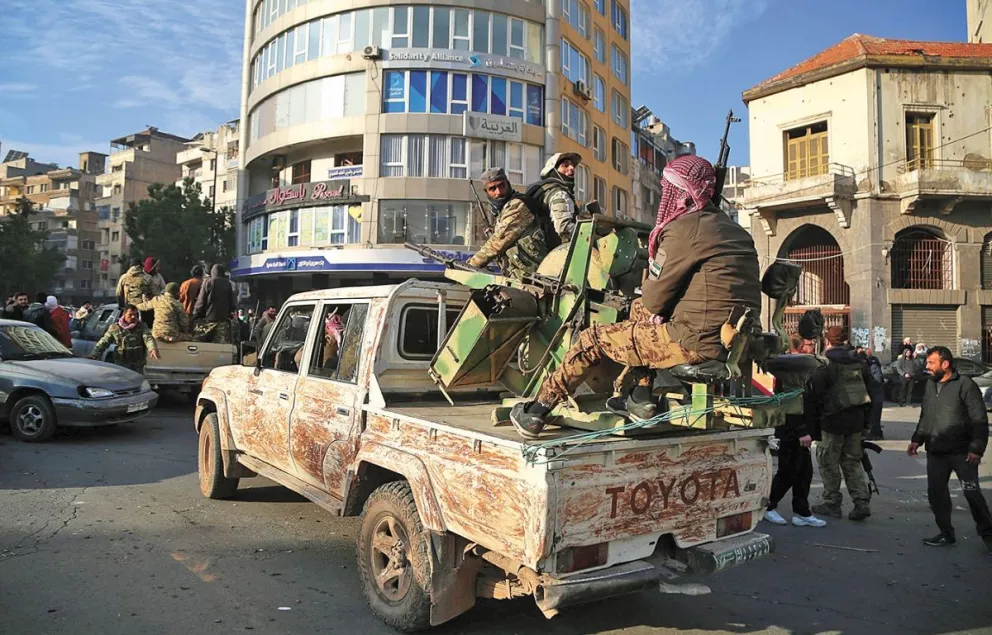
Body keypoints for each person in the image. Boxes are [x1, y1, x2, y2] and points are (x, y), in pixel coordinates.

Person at [509, 155, 761, 438]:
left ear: (678, 191)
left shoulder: (684, 229)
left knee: (593, 339)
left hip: (695, 342)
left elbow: (655, 300)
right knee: (639, 312)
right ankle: (641, 398)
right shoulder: (737, 232)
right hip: (737, 339)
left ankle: (537, 411)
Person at [908, 346, 992, 552]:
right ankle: (946, 533)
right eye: (927, 363)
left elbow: (979, 420)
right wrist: (917, 439)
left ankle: (988, 534)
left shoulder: (965, 385)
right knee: (936, 495)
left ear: (945, 364)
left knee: (972, 494)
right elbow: (926, 415)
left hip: (963, 453)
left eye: (931, 363)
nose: (927, 367)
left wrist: (977, 448)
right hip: (936, 452)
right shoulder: (930, 385)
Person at [808, 326, 873, 521]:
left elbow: (815, 396)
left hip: (832, 421)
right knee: (852, 461)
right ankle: (861, 502)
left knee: (828, 462)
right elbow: (872, 391)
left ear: (827, 341)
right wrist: (867, 423)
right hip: (856, 421)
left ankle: (832, 503)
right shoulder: (860, 362)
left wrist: (813, 424)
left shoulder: (826, 364)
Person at [764, 334, 827, 528]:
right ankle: (768, 506)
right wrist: (801, 431)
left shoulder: (801, 367)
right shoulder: (792, 369)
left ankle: (801, 512)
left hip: (799, 429)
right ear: (799, 347)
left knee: (804, 472)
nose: (812, 347)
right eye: (809, 344)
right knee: (789, 471)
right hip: (790, 431)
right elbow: (791, 404)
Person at [466, 167, 549, 278]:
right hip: (523, 275)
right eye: (493, 189)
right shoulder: (504, 209)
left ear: (508, 184)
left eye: (501, 186)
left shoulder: (518, 205)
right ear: (487, 192)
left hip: (535, 274)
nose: (499, 192)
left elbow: (497, 243)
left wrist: (470, 266)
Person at [525, 152, 582, 244]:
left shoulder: (546, 191)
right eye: (565, 165)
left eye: (572, 166)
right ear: (553, 171)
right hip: (558, 251)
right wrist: (588, 235)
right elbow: (564, 228)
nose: (571, 168)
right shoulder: (559, 194)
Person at [89, 304, 160, 373]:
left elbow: (148, 338)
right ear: (124, 314)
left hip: (137, 365)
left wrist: (152, 348)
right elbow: (104, 341)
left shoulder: (141, 326)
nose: (133, 317)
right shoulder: (115, 328)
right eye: (130, 314)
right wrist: (94, 354)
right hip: (122, 364)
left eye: (135, 315)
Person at [192, 264, 237, 344]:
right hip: (222, 322)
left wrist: (195, 315)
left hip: (208, 321)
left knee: (200, 344)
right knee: (220, 348)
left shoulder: (208, 282)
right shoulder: (228, 284)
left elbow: (201, 302)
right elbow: (232, 304)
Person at [862, 347, 885, 439]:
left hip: (875, 395)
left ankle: (875, 434)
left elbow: (877, 380)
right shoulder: (870, 366)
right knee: (873, 416)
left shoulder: (873, 366)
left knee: (874, 416)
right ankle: (876, 433)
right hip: (874, 395)